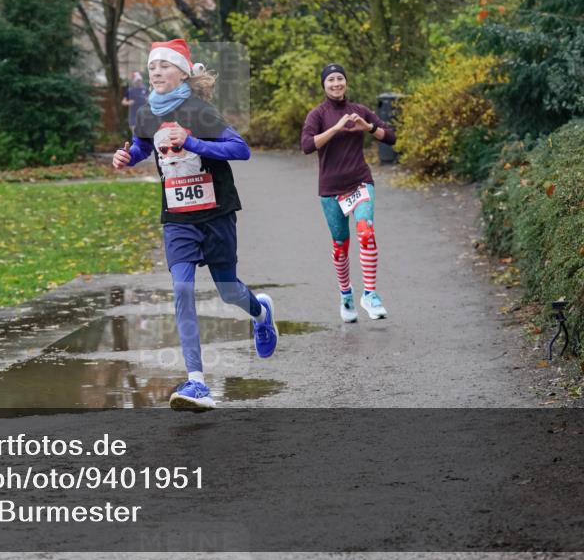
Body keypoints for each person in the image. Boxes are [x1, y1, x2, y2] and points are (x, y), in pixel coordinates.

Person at [112, 38, 279, 411]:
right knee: (182, 289)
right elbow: (143, 146)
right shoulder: (145, 114)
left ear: (182, 73)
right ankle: (196, 382)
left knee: (228, 291)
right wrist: (128, 156)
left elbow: (241, 150)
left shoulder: (200, 112)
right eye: (152, 66)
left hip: (216, 214)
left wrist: (194, 143)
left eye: (164, 66)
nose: (156, 72)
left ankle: (261, 312)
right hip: (178, 219)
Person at [301, 63, 396, 323]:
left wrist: (368, 128)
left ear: (346, 82)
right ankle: (346, 294)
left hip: (360, 182)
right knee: (341, 246)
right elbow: (307, 145)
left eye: (340, 78)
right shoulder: (317, 115)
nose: (336, 83)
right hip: (330, 189)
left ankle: (370, 293)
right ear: (324, 85)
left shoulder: (360, 111)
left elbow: (391, 137)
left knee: (366, 231)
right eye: (330, 79)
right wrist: (335, 129)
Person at [121, 71, 148, 138]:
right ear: (134, 81)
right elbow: (123, 102)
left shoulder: (144, 89)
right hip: (133, 116)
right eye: (137, 80)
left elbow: (149, 98)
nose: (139, 82)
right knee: (136, 135)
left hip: (144, 116)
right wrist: (129, 102)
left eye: (140, 80)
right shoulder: (130, 91)